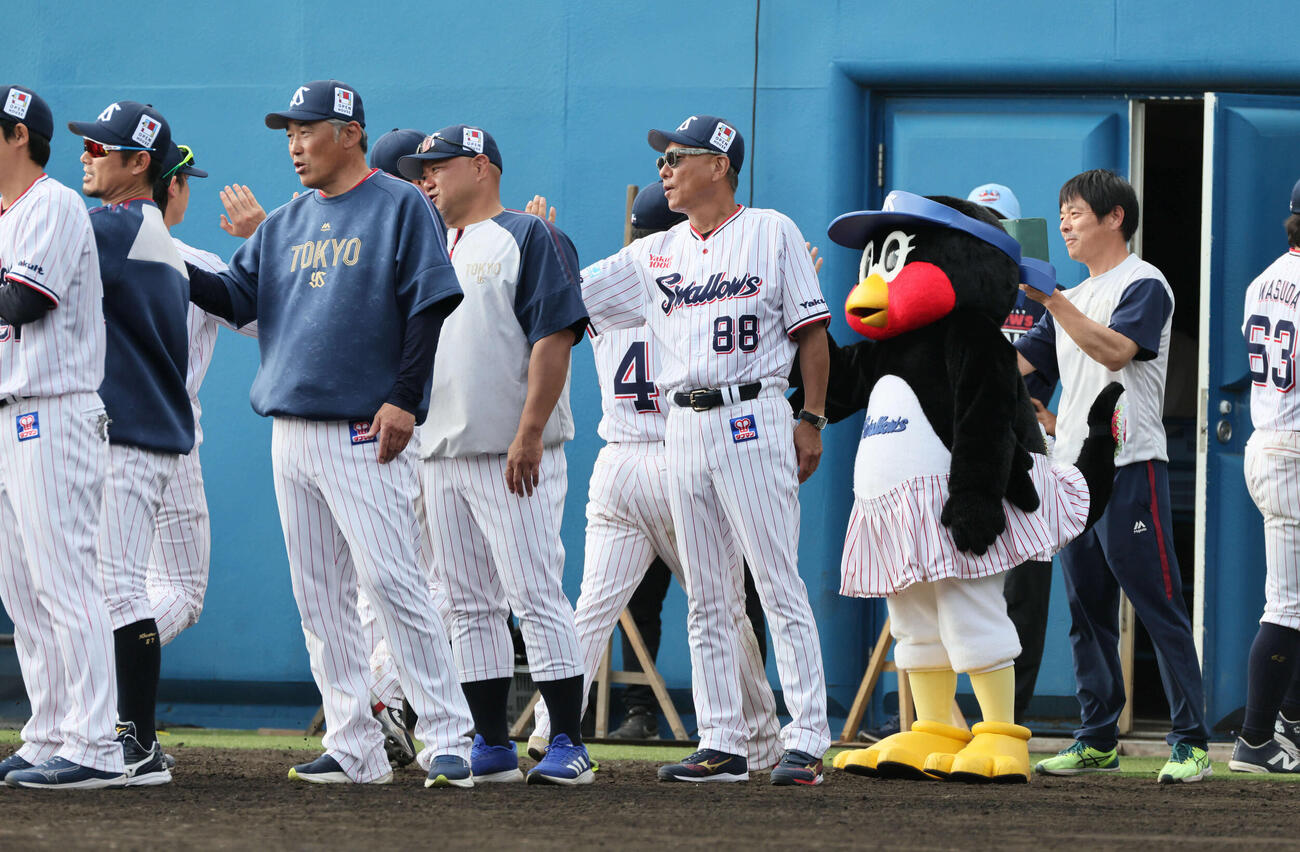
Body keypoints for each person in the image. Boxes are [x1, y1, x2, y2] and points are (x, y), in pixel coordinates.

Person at [183, 79, 476, 788]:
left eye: (306, 130)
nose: (293, 144)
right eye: (287, 132)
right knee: (319, 598)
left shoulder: (401, 204)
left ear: (349, 132)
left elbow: (430, 303)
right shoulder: (285, 222)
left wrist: (406, 399)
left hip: (364, 428)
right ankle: (355, 744)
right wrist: (165, 257)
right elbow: (237, 298)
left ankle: (448, 737)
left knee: (393, 584)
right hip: (292, 429)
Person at [579, 114, 833, 786]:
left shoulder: (772, 231)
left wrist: (810, 416)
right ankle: (722, 741)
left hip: (754, 412)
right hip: (680, 426)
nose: (664, 167)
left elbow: (812, 334)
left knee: (776, 582)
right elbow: (569, 296)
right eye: (662, 158)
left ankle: (806, 735)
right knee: (709, 595)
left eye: (677, 157)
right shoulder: (654, 253)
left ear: (719, 165)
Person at [524, 184, 781, 768]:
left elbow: (557, 300)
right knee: (722, 604)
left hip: (616, 462)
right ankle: (764, 738)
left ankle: (548, 728)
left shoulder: (604, 288)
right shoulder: (691, 289)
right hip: (678, 456)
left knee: (591, 608)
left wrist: (544, 244)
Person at [396, 125, 594, 786]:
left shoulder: (528, 234)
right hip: (440, 451)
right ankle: (491, 743)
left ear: (481, 166)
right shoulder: (424, 243)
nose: (425, 179)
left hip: (513, 452)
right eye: (419, 170)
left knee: (534, 591)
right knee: (465, 603)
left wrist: (531, 430)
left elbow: (555, 335)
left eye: (437, 167)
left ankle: (567, 739)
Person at [1016, 168, 1211, 783]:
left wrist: (1050, 299)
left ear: (1114, 218)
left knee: (1157, 603)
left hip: (1131, 465)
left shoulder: (1143, 282)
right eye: (1062, 212)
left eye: (1075, 212)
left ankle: (1192, 740)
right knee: (1086, 609)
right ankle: (1097, 736)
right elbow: (1015, 367)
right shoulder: (1071, 296)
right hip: (1073, 474)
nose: (1066, 223)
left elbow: (1115, 352)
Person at [0, 85, 127, 790]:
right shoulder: (6, 213)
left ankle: (95, 746)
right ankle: (49, 731)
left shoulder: (52, 203)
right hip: (10, 413)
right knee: (22, 590)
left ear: (19, 136)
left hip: (52, 409)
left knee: (65, 583)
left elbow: (25, 299)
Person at [69, 100, 193, 787]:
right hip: (138, 431)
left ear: (139, 162)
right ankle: (119, 734)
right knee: (108, 584)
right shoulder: (141, 228)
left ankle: (136, 743)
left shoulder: (114, 226)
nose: (86, 155)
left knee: (115, 586)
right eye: (86, 146)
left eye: (100, 148)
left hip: (128, 432)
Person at [969, 181, 1054, 727]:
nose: (989, 231)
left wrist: (1053, 415)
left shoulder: (1043, 290)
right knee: (959, 583)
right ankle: (943, 713)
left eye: (999, 222)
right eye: (980, 221)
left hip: (1028, 445)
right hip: (961, 448)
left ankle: (1007, 719)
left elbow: (1072, 366)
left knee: (1025, 589)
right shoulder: (949, 286)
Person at [1229, 178, 1300, 774]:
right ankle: (1256, 739)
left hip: (1271, 438)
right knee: (1288, 606)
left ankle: (1290, 723)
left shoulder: (1263, 277)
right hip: (1293, 449)